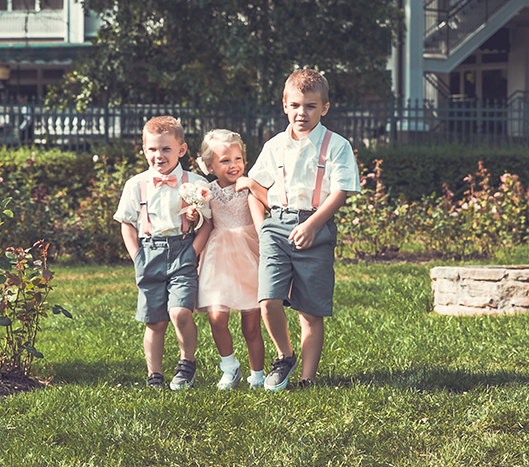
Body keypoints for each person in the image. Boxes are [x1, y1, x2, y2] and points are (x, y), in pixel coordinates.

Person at [237, 69, 360, 391]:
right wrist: (264, 227)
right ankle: (284, 355)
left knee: (310, 311)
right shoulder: (275, 145)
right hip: (276, 227)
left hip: (315, 228)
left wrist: (311, 224)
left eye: (310, 106)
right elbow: (256, 187)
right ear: (284, 106)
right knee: (269, 300)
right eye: (295, 105)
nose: (301, 113)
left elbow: (341, 192)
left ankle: (307, 379)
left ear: (325, 108)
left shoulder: (337, 146)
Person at [114, 116, 211, 390]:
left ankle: (186, 363)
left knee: (180, 312)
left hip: (183, 251)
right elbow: (127, 224)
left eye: (166, 149)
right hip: (149, 253)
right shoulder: (136, 184)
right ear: (144, 150)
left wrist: (193, 252)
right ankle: (154, 375)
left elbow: (208, 222)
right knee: (155, 321)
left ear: (181, 149)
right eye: (152, 149)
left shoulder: (195, 182)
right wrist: (137, 257)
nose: (159, 156)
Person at [195, 129, 267, 389]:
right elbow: (205, 224)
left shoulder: (248, 186)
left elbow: (270, 206)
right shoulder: (207, 191)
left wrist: (254, 186)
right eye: (225, 160)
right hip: (218, 259)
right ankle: (229, 367)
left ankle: (257, 374)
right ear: (209, 165)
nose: (233, 165)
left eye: (238, 158)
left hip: (249, 256)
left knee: (251, 325)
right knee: (217, 317)